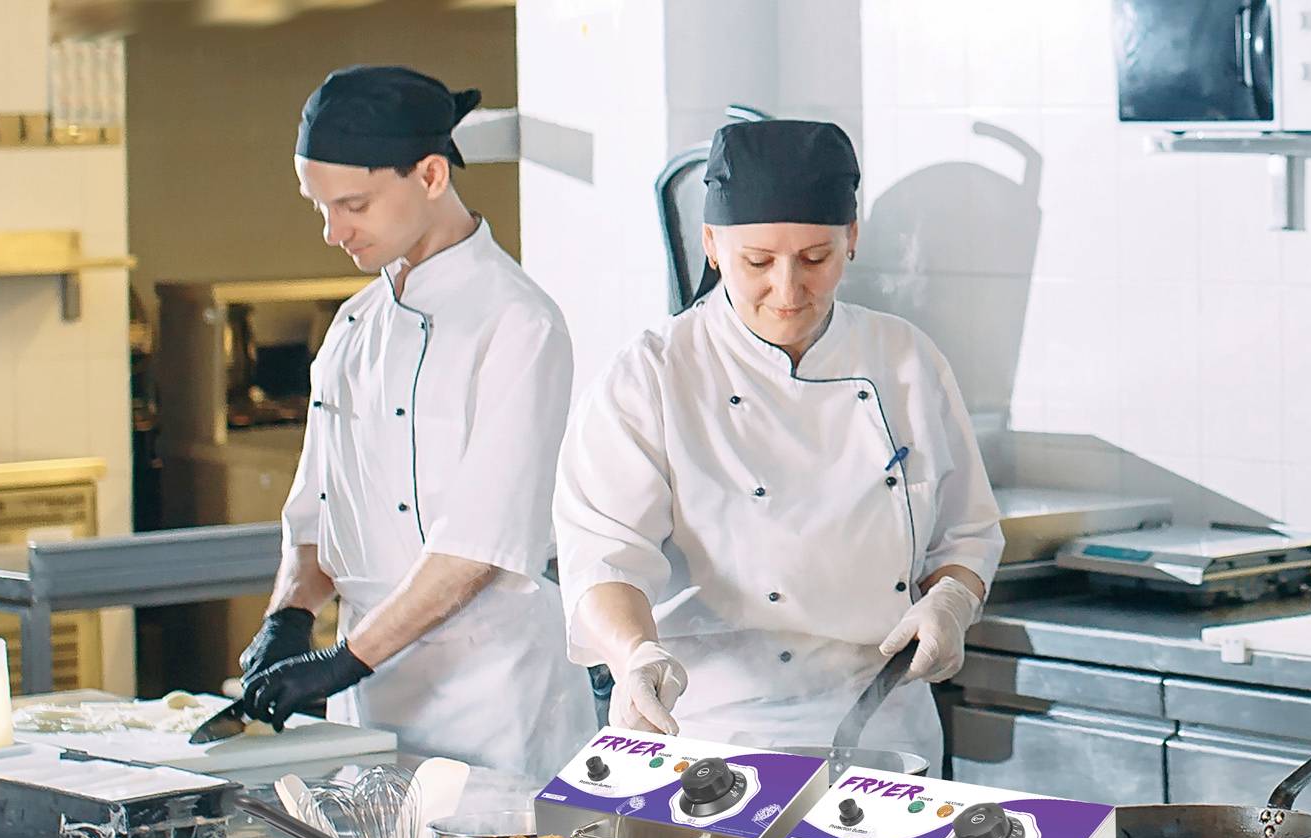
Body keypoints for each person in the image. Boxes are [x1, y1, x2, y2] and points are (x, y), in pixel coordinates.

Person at [552, 119, 1003, 768]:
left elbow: (965, 531)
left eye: (815, 259)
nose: (788, 292)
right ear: (711, 245)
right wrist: (633, 656)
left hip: (884, 724)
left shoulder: (907, 359)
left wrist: (952, 601)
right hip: (710, 730)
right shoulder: (651, 374)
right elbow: (603, 553)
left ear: (851, 239)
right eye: (757, 262)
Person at [237, 65, 590, 776]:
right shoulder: (353, 327)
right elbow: (315, 510)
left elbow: (477, 549)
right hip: (367, 705)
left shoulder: (519, 323)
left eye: (354, 205)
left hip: (493, 703)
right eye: (320, 208)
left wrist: (344, 659)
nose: (334, 232)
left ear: (430, 174)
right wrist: (289, 616)